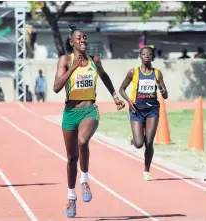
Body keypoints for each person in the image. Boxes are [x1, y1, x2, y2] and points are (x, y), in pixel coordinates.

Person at [53, 24, 125, 218]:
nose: (84, 40)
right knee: (70, 158)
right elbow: (56, 87)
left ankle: (84, 181)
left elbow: (104, 76)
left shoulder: (94, 61)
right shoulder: (65, 61)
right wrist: (73, 68)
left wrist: (115, 96)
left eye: (85, 37)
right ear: (71, 42)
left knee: (83, 141)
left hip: (89, 110)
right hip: (70, 113)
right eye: (79, 37)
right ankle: (71, 197)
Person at [119, 45, 168, 181]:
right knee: (139, 143)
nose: (146, 56)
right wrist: (129, 101)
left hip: (152, 110)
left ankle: (146, 170)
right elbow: (121, 89)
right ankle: (134, 138)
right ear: (140, 57)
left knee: (149, 142)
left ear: (152, 57)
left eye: (149, 54)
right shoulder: (133, 72)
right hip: (137, 110)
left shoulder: (157, 73)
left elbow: (165, 96)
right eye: (144, 54)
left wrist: (161, 89)